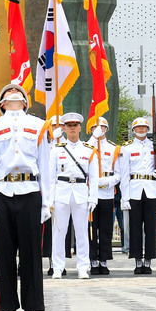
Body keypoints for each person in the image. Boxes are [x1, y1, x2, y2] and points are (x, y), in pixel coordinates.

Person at [0, 82, 51, 311]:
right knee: (4, 257)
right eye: (8, 94)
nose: (13, 94)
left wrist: (46, 202)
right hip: (3, 192)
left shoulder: (38, 126)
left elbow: (46, 166)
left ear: (25, 102)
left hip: (30, 192)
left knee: (32, 256)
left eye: (18, 94)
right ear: (2, 104)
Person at [118, 115, 156, 275]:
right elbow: (124, 174)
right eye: (138, 127)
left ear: (147, 129)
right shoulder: (126, 148)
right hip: (134, 189)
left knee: (151, 226)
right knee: (134, 227)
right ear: (133, 130)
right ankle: (137, 260)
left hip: (151, 189)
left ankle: (149, 259)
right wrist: (124, 197)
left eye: (144, 127)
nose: (141, 129)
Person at [48, 112, 96, 279]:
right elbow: (49, 176)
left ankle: (83, 267)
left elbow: (94, 176)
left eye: (75, 125)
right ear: (64, 128)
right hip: (61, 192)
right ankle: (58, 267)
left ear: (80, 127)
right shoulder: (56, 149)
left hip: (81, 193)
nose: (72, 128)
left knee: (82, 232)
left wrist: (93, 197)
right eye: (69, 125)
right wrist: (49, 199)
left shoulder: (89, 150)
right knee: (59, 232)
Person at [86, 117, 119, 276]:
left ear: (106, 129)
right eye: (95, 128)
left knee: (105, 228)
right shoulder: (87, 145)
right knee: (91, 228)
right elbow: (84, 157)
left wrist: (106, 182)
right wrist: (93, 139)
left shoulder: (113, 148)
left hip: (106, 191)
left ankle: (104, 260)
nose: (99, 130)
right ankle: (92, 260)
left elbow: (118, 173)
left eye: (102, 128)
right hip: (89, 192)